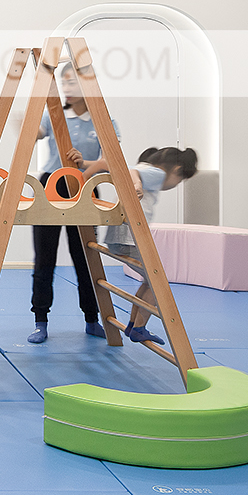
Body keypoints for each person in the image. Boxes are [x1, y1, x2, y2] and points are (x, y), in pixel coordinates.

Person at [63, 143, 199, 345]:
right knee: (158, 281)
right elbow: (132, 172)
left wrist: (86, 166)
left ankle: (134, 325)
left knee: (150, 280)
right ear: (177, 170)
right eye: (179, 181)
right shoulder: (157, 174)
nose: (174, 184)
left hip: (118, 238)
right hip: (129, 238)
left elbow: (112, 166)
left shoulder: (145, 168)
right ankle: (138, 328)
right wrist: (137, 185)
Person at [27, 62, 110, 344]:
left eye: (73, 82)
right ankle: (40, 321)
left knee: (86, 257)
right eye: (64, 82)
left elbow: (110, 159)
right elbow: (36, 134)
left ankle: (92, 319)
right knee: (44, 258)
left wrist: (84, 168)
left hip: (85, 188)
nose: (68, 88)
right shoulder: (54, 115)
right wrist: (26, 125)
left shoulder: (102, 120)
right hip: (52, 185)